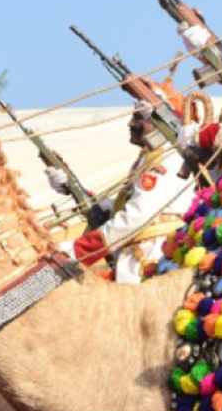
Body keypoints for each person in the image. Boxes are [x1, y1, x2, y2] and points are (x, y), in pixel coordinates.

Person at [53, 82, 196, 283]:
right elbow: (125, 203)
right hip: (137, 256)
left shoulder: (168, 158)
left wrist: (79, 249)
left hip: (155, 258)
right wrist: (74, 189)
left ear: (160, 120)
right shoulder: (149, 157)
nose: (130, 124)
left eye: (138, 117)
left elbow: (136, 216)